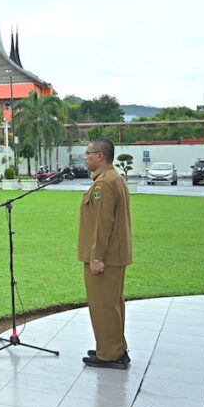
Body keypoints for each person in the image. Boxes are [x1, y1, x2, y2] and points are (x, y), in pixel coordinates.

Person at [78, 138, 133, 370]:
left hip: (106, 257)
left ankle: (110, 354)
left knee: (103, 306)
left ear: (100, 156)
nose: (86, 157)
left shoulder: (104, 184)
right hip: (115, 255)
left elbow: (103, 224)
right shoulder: (112, 178)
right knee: (112, 304)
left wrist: (96, 257)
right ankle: (114, 348)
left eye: (88, 153)